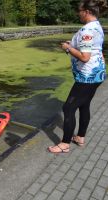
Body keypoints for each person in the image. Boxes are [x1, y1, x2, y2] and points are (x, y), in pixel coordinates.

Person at [48, 0, 107, 153]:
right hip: (98, 73)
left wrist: (67, 48)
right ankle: (80, 137)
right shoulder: (97, 27)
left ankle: (65, 144)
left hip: (87, 76)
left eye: (79, 11)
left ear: (86, 11)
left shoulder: (87, 30)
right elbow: (96, 49)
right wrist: (73, 44)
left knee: (68, 108)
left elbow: (85, 57)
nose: (77, 13)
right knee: (84, 105)